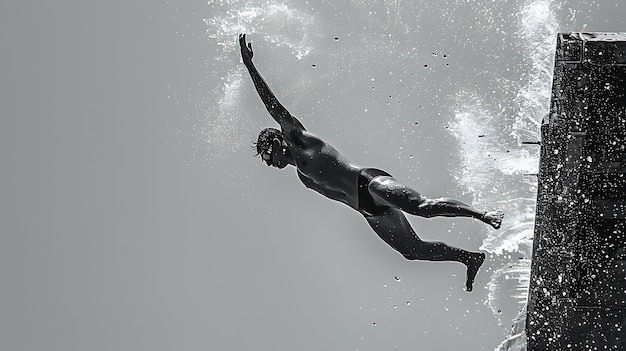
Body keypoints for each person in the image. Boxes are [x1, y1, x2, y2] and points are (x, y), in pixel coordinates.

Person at [239, 34, 503, 292]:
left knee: (422, 207)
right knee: (411, 251)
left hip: (368, 183)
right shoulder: (302, 177)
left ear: (274, 143)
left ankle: (483, 215)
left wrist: (250, 67)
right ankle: (469, 258)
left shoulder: (298, 140)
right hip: (367, 210)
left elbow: (273, 106)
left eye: (265, 156)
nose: (268, 163)